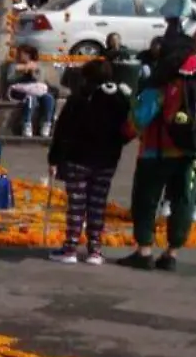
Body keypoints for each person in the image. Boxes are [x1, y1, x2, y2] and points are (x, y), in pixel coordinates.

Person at [121, 51, 196, 271]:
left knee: (147, 198)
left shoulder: (163, 83)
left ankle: (144, 251)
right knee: (185, 198)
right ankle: (172, 253)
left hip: (158, 154)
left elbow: (139, 119)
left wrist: (122, 133)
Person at [46, 59, 134, 265]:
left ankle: (70, 248)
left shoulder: (79, 98)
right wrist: (117, 143)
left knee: (76, 204)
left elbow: (63, 129)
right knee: (97, 203)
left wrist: (54, 158)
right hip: (107, 159)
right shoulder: (120, 98)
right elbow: (129, 126)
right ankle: (95, 249)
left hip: (78, 157)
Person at [5, 44, 56, 137]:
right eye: (19, 53)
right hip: (19, 91)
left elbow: (41, 80)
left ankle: (46, 124)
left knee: (49, 98)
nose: (19, 55)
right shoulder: (14, 66)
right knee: (31, 99)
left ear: (29, 55)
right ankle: (26, 124)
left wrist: (33, 71)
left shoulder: (37, 65)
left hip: (36, 90)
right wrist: (21, 71)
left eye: (22, 54)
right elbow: (10, 79)